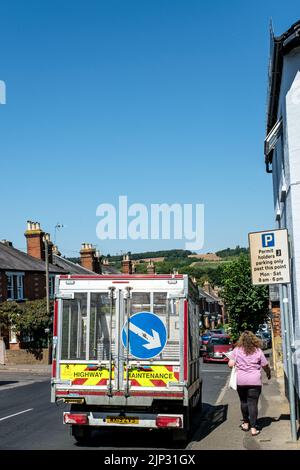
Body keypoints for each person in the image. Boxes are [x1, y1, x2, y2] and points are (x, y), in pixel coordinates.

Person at [228, 330, 271, 436]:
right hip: (254, 381)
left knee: (243, 402)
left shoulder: (237, 350)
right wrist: (268, 373)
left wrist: (233, 363)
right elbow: (265, 365)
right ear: (253, 339)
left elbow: (230, 364)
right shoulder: (258, 351)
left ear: (241, 340)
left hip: (241, 381)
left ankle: (246, 423)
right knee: (253, 403)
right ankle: (253, 428)